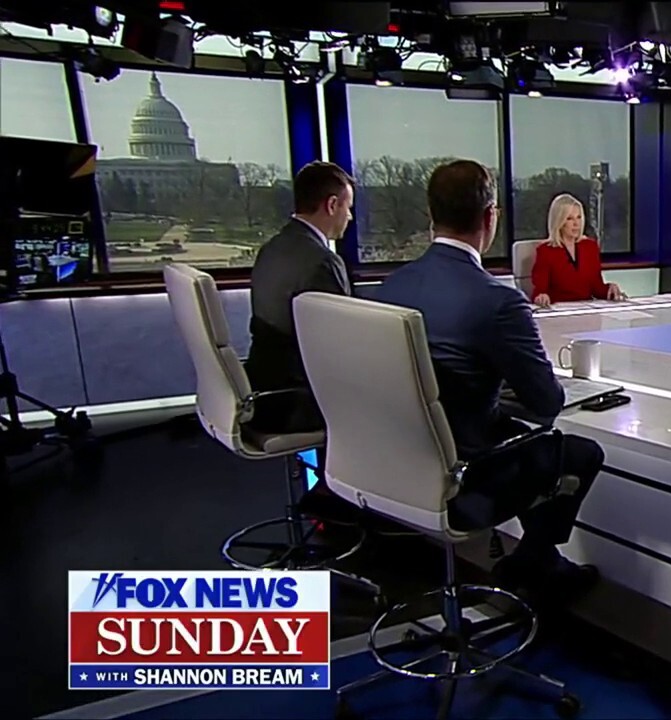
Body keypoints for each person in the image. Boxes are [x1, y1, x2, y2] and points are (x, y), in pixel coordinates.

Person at [375, 161, 601, 601]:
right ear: (490, 217)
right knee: (579, 452)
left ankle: (539, 562)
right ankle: (533, 562)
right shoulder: (498, 301)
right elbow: (546, 402)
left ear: (431, 215)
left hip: (396, 452)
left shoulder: (392, 286)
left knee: (523, 436)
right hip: (466, 469)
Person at [244, 161, 354, 434]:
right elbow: (338, 348)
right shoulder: (323, 261)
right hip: (296, 402)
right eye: (348, 207)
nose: (350, 217)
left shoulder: (271, 248)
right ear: (331, 205)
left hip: (263, 391)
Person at [529, 193, 626, 308]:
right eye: (569, 218)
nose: (576, 224)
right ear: (559, 221)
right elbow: (540, 291)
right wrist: (541, 297)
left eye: (579, 217)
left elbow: (597, 288)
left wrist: (610, 289)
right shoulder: (546, 251)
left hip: (586, 310)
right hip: (560, 311)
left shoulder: (590, 247)